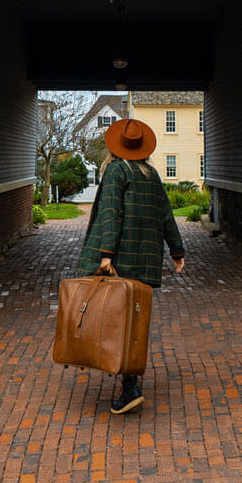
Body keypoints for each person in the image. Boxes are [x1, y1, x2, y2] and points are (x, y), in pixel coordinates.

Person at [75, 116, 186, 414]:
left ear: (115, 146)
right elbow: (166, 216)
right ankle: (129, 382)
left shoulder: (116, 171)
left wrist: (106, 254)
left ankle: (128, 385)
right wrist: (177, 251)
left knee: (114, 319)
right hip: (145, 263)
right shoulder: (151, 174)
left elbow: (112, 214)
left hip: (120, 259)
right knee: (134, 322)